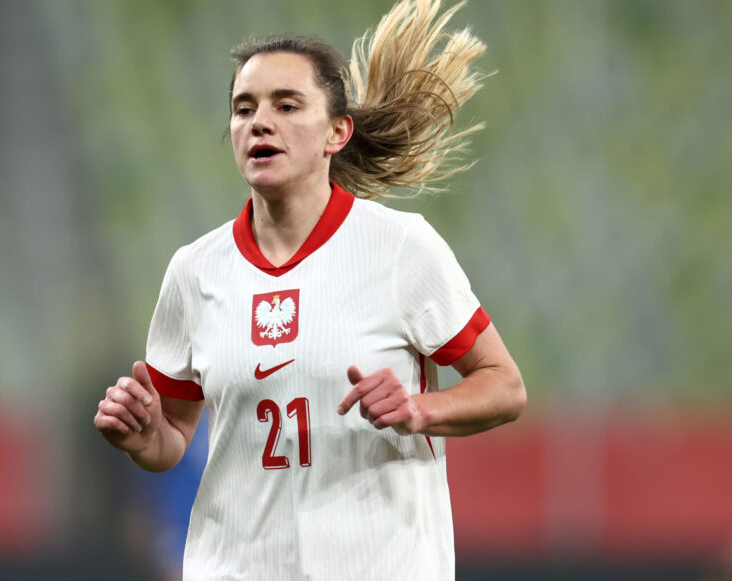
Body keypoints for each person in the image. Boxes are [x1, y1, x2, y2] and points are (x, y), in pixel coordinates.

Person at [93, 0, 526, 578]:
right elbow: (174, 435)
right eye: (242, 109)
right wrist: (147, 439)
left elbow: (504, 386)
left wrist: (420, 409)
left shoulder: (399, 247)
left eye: (287, 105)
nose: (259, 122)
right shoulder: (195, 271)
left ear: (336, 132)